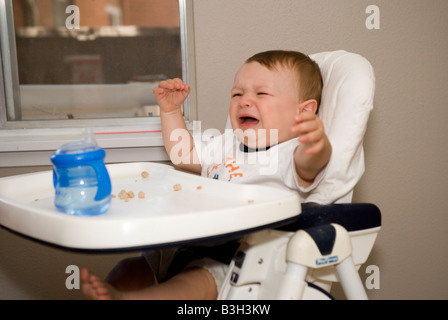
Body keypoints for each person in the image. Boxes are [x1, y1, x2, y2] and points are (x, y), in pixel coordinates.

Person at [80, 50, 332, 300]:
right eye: (237, 94)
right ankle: (112, 294)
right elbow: (184, 153)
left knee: (196, 282)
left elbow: (309, 165)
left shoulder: (290, 154)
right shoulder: (226, 144)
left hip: (238, 258)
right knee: (132, 267)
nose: (244, 101)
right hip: (190, 241)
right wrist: (170, 112)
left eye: (261, 93)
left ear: (304, 112)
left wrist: (315, 144)